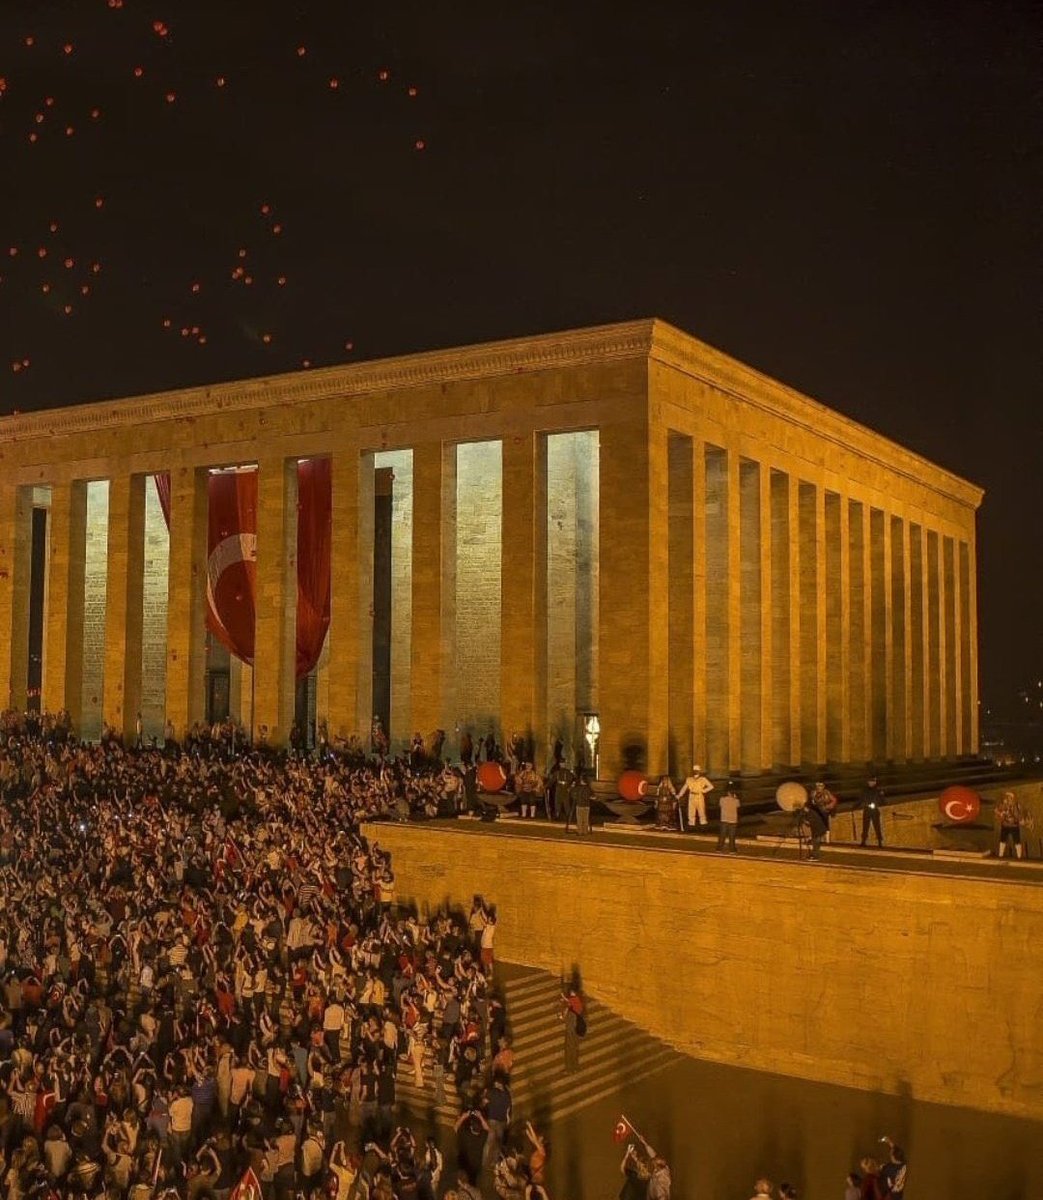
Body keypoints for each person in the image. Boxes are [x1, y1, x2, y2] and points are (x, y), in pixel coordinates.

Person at [676, 764, 713, 830]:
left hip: (699, 795)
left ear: (699, 771)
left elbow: (711, 786)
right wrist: (679, 795)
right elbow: (684, 788)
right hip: (692, 796)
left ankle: (703, 823)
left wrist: (703, 791)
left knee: (701, 810)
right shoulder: (689, 779)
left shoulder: (703, 779)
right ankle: (691, 824)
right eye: (694, 770)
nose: (695, 771)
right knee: (691, 810)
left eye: (697, 770)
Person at [996, 790, 1025, 859]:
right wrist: (1000, 814)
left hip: (1014, 826)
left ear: (1013, 798)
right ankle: (1001, 855)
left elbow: (1019, 815)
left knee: (1017, 841)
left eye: (1010, 797)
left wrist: (1020, 820)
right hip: (1005, 825)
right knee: (1002, 840)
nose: (1009, 798)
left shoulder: (1017, 805)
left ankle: (1019, 856)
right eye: (1008, 797)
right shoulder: (1003, 805)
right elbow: (997, 810)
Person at [859, 776, 885, 847]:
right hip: (867, 810)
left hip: (874, 810)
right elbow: (861, 799)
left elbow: (883, 801)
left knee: (877, 826)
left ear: (875, 782)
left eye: (872, 781)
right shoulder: (865, 790)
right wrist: (855, 806)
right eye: (870, 781)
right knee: (865, 826)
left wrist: (876, 803)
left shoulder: (878, 790)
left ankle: (880, 841)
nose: (871, 783)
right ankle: (863, 841)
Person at [717, 781, 741, 853]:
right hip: (733, 820)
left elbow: (720, 805)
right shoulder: (736, 800)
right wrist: (735, 798)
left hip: (724, 819)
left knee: (722, 834)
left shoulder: (722, 799)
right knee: (732, 836)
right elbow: (738, 806)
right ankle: (732, 849)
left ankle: (719, 848)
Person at [571, 770, 593, 836]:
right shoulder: (588, 788)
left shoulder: (578, 788)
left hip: (579, 805)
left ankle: (580, 831)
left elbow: (572, 794)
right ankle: (585, 831)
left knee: (579, 819)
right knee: (586, 819)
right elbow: (592, 796)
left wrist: (572, 786)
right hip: (587, 805)